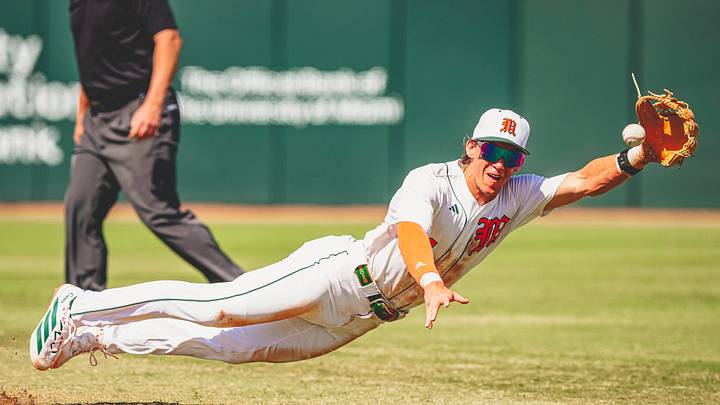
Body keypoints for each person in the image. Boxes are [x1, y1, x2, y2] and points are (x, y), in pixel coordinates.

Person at [31, 108, 658, 370]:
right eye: (492, 150)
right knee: (219, 304)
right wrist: (433, 279)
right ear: (471, 148)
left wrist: (638, 159)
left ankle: (92, 335)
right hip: (337, 273)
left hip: (358, 319)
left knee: (224, 347)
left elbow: (579, 181)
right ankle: (79, 302)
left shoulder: (517, 196)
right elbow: (412, 231)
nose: (501, 164)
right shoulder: (431, 180)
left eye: (512, 156)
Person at [64, 0, 244, 291]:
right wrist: (82, 113)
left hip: (136, 108)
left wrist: (152, 105)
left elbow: (169, 40)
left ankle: (240, 286)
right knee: (80, 209)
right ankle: (84, 310)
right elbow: (92, 59)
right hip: (97, 119)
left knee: (159, 212)